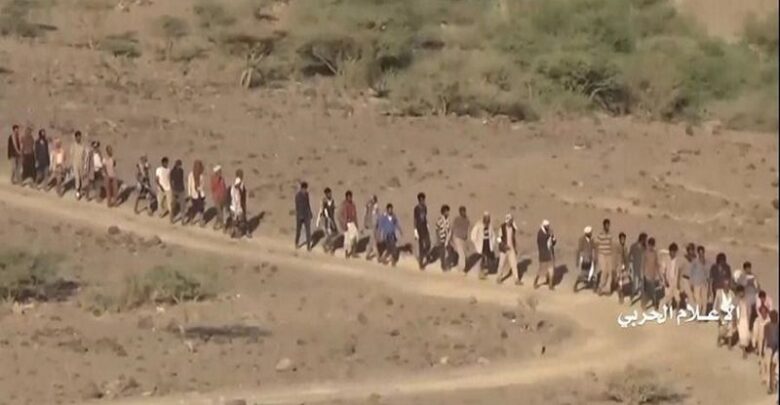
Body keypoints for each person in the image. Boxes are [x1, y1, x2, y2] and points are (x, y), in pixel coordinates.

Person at [470, 211, 496, 280]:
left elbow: (493, 235)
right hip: (481, 244)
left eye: (488, 218)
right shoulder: (478, 224)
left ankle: (484, 272)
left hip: (488, 243)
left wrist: (493, 243)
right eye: (486, 218)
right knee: (481, 258)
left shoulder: (490, 226)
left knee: (486, 258)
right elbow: (473, 235)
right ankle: (480, 273)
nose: (487, 219)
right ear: (484, 218)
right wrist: (475, 243)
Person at [496, 213, 520, 285]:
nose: (510, 222)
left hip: (511, 248)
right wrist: (503, 245)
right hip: (504, 249)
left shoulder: (513, 228)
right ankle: (499, 278)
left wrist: (515, 248)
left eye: (511, 220)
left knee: (514, 264)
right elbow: (498, 238)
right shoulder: (502, 227)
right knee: (501, 264)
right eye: (509, 220)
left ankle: (516, 279)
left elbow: (514, 237)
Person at [736, 261, 760, 330]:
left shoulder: (754, 276)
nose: (748, 270)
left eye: (749, 268)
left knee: (754, 313)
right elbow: (739, 287)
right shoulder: (742, 276)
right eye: (747, 268)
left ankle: (753, 327)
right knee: (747, 313)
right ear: (744, 269)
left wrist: (756, 286)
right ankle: (747, 327)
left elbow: (758, 287)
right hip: (746, 297)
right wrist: (747, 283)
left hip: (754, 297)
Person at [534, 219, 556, 290]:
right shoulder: (540, 233)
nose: (548, 227)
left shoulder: (548, 232)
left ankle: (550, 285)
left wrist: (553, 239)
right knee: (541, 271)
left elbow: (552, 243)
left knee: (551, 270)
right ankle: (535, 282)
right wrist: (550, 236)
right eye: (547, 226)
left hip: (550, 254)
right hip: (543, 255)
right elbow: (542, 242)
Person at [689, 245, 710, 315]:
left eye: (702, 252)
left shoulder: (707, 262)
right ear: (698, 253)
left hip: (704, 283)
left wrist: (708, 284)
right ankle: (698, 314)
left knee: (704, 299)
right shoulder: (695, 262)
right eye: (700, 253)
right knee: (697, 299)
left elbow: (708, 273)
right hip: (696, 283)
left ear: (704, 252)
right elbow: (691, 272)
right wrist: (691, 283)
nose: (701, 254)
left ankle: (703, 314)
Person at [659, 243, 682, 310]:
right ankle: (668, 308)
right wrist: (665, 281)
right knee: (668, 296)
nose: (673, 254)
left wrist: (678, 282)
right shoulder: (665, 259)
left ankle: (677, 310)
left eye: (674, 252)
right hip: (668, 280)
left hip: (675, 280)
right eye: (672, 252)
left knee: (677, 296)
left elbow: (679, 271)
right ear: (670, 251)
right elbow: (663, 271)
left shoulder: (678, 260)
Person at [715, 278, 737, 347]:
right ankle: (719, 340)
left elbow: (734, 305)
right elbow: (716, 305)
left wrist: (734, 317)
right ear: (723, 285)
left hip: (729, 314)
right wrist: (717, 316)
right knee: (722, 331)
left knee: (730, 330)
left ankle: (729, 345)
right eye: (725, 285)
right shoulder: (719, 293)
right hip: (722, 314)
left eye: (728, 285)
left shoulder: (732, 294)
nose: (726, 286)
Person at [574, 226, 596, 292]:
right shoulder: (581, 240)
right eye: (590, 233)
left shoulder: (591, 240)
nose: (591, 234)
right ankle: (576, 285)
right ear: (587, 233)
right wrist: (577, 260)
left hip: (590, 258)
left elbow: (593, 248)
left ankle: (592, 286)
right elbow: (579, 250)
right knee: (584, 273)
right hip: (584, 259)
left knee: (590, 272)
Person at [761, 310, 779, 394]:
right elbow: (764, 338)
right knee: (772, 369)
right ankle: (772, 386)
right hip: (773, 349)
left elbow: (764, 339)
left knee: (771, 369)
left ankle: (772, 387)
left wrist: (762, 349)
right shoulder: (768, 326)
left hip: (772, 349)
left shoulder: (767, 326)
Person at [338, 190, 359, 258]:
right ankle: (347, 253)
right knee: (347, 239)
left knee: (355, 238)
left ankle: (353, 252)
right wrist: (344, 223)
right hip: (346, 223)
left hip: (352, 223)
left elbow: (355, 215)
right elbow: (339, 215)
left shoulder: (353, 204)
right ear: (346, 197)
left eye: (351, 197)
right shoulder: (343, 205)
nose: (350, 198)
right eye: (349, 197)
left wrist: (356, 224)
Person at [641, 237, 661, 310]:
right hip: (646, 275)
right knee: (647, 291)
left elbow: (656, 264)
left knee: (653, 290)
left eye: (652, 245)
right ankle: (644, 304)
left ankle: (654, 303)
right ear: (648, 245)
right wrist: (642, 274)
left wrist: (659, 274)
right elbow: (642, 264)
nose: (651, 247)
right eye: (650, 245)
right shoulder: (645, 253)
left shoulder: (655, 253)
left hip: (653, 275)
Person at [596, 219, 614, 296]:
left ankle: (607, 289)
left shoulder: (610, 234)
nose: (607, 226)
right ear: (604, 225)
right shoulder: (600, 234)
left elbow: (611, 244)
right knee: (604, 271)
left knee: (610, 272)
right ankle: (600, 287)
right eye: (606, 225)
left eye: (608, 225)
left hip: (609, 255)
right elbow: (597, 244)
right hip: (602, 254)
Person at [413, 192, 431, 270]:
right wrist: (415, 231)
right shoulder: (416, 208)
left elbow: (425, 217)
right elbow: (415, 219)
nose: (423, 201)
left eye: (423, 199)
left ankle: (424, 254)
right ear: (419, 200)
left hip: (425, 227)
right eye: (421, 200)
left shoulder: (425, 207)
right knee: (421, 245)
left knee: (428, 243)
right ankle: (421, 263)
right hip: (419, 228)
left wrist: (427, 225)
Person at [753, 291, 773, 359]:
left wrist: (766, 315)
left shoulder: (769, 300)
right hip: (760, 330)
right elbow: (757, 310)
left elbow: (770, 310)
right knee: (760, 340)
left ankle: (764, 352)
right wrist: (761, 316)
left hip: (767, 320)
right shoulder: (758, 300)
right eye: (760, 299)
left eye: (763, 299)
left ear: (765, 297)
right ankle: (759, 353)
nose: (762, 300)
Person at [317, 187, 338, 253]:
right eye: (328, 193)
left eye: (330, 193)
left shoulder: (332, 200)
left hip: (331, 218)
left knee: (335, 232)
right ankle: (326, 245)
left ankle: (327, 244)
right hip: (327, 219)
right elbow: (323, 210)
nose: (330, 194)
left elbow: (332, 209)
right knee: (330, 233)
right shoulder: (324, 201)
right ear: (326, 194)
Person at [451, 206, 471, 273]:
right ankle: (462, 268)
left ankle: (460, 267)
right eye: (462, 211)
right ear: (460, 212)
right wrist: (451, 238)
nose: (463, 212)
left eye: (464, 211)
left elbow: (467, 230)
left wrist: (467, 241)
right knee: (461, 254)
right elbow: (453, 228)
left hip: (463, 239)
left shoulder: (467, 220)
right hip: (457, 238)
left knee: (463, 254)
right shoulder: (457, 219)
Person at [628, 233, 647, 301]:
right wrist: (630, 265)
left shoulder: (644, 247)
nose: (645, 241)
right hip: (635, 266)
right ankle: (633, 295)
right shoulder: (634, 246)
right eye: (645, 239)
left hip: (641, 267)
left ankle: (641, 295)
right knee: (635, 282)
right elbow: (630, 256)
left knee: (641, 282)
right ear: (642, 239)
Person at [186, 160, 206, 226]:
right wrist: (189, 194)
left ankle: (201, 221)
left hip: (201, 194)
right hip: (193, 195)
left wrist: (199, 188)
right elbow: (189, 185)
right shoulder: (191, 175)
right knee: (194, 208)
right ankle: (191, 220)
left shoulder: (201, 175)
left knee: (201, 208)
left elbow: (203, 184)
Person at [294, 181, 313, 250]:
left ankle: (308, 246)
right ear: (301, 188)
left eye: (306, 189)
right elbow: (297, 206)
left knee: (308, 231)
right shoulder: (297, 195)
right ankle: (296, 243)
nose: (305, 190)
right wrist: (299, 215)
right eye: (304, 189)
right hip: (300, 215)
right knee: (298, 231)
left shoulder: (307, 194)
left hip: (306, 215)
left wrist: (310, 213)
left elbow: (308, 204)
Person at [230, 169, 248, 238]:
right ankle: (236, 232)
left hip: (239, 206)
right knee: (238, 220)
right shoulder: (234, 189)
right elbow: (235, 200)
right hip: (235, 207)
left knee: (239, 220)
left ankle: (237, 232)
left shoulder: (241, 185)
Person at [69, 131, 87, 199]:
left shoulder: (83, 146)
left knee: (81, 178)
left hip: (81, 164)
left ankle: (80, 190)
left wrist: (84, 164)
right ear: (75, 137)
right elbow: (71, 155)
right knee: (77, 178)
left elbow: (84, 155)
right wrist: (71, 165)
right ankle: (77, 193)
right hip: (75, 163)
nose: (79, 138)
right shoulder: (73, 146)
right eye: (77, 137)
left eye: (80, 137)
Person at [434, 205, 452, 271]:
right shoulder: (440, 219)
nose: (448, 213)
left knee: (449, 251)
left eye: (448, 211)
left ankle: (447, 264)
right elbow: (437, 229)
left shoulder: (448, 220)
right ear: (444, 212)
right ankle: (443, 266)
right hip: (441, 238)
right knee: (443, 253)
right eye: (447, 211)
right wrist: (438, 238)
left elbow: (449, 229)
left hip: (447, 239)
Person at [735, 285, 752, 358]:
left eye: (742, 292)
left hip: (746, 319)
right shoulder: (736, 301)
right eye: (739, 293)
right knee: (742, 335)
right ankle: (744, 352)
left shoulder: (747, 300)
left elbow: (749, 311)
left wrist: (749, 320)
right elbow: (735, 311)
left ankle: (745, 347)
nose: (741, 294)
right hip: (740, 320)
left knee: (746, 335)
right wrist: (736, 320)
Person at [210, 165, 228, 230]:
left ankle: (216, 224)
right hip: (217, 198)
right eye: (219, 171)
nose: (221, 172)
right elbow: (213, 187)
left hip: (222, 197)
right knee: (220, 212)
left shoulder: (222, 179)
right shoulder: (214, 178)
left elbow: (224, 188)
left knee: (219, 211)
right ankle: (223, 226)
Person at [363, 195, 380, 260]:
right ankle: (377, 256)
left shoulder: (375, 207)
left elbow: (376, 217)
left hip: (374, 225)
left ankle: (368, 255)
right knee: (373, 240)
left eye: (373, 199)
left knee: (372, 240)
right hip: (371, 225)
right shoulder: (370, 207)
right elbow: (366, 207)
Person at [615, 232, 630, 304]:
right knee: (620, 282)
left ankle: (622, 294)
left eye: (624, 239)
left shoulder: (625, 247)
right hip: (619, 266)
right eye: (622, 239)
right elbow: (617, 258)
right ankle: (621, 296)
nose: (623, 240)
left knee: (624, 281)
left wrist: (627, 266)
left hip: (624, 266)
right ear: (620, 239)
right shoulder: (618, 247)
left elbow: (626, 257)